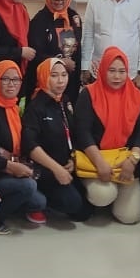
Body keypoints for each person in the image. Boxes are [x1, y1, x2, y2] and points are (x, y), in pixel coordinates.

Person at [73, 47, 140, 224]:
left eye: (122, 72)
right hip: (95, 161)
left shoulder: (137, 96)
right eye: (112, 70)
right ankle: (99, 193)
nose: (117, 77)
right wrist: (100, 163)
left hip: (125, 163)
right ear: (103, 69)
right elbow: (82, 132)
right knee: (103, 195)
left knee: (130, 217)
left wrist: (133, 160)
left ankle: (116, 190)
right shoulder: (89, 94)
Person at [0, 61, 49, 231]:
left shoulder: (13, 107)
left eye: (16, 80)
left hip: (11, 168)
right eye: (5, 79)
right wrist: (8, 166)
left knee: (39, 201)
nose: (11, 84)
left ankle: (3, 202)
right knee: (28, 187)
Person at [22, 58, 94, 221]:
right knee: (73, 204)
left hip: (66, 166)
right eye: (54, 75)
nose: (61, 80)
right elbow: (30, 145)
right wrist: (56, 169)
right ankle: (38, 199)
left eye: (64, 75)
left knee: (87, 209)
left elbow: (74, 134)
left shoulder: (65, 101)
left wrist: (74, 158)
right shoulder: (36, 107)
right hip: (45, 170)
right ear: (43, 76)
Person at [27, 0, 83, 100]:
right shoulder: (39, 21)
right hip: (48, 82)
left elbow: (78, 49)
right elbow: (35, 55)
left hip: (71, 81)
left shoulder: (74, 17)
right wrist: (61, 63)